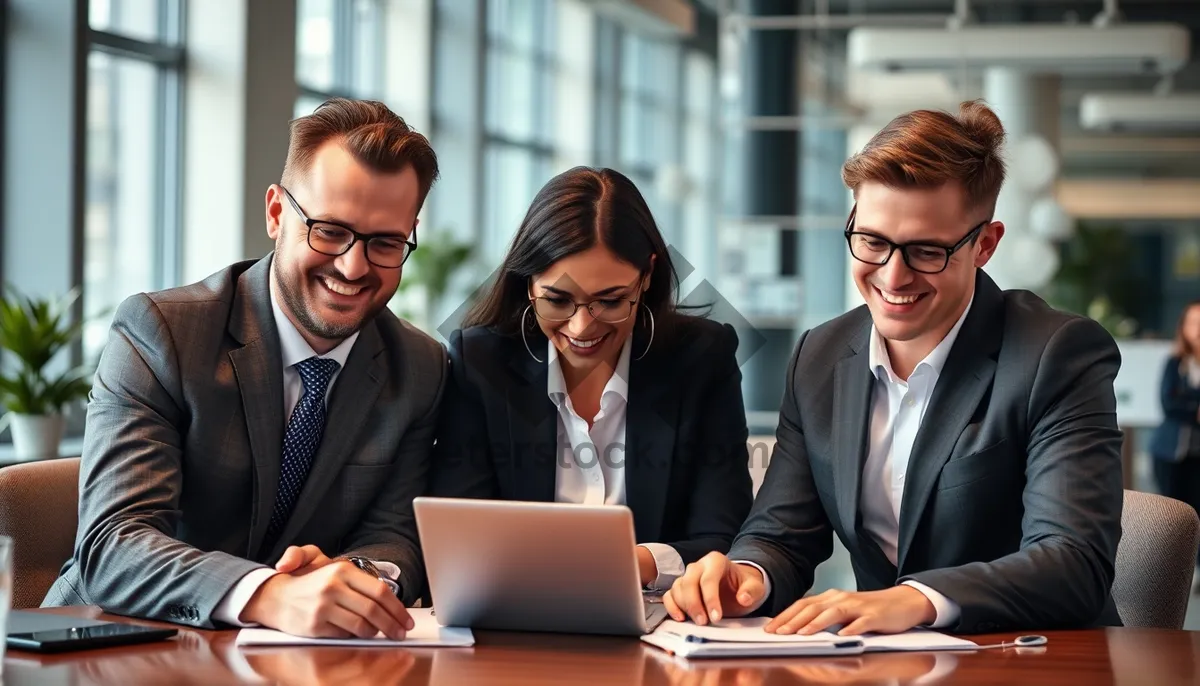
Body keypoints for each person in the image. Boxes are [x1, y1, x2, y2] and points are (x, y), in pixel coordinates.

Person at [664, 100, 1125, 635]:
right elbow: (783, 533)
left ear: (985, 245)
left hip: (1035, 660)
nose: (893, 275)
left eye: (927, 251)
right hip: (890, 664)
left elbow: (1073, 561)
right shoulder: (820, 357)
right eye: (873, 242)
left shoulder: (1056, 354)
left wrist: (917, 599)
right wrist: (747, 576)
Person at [44, 98, 447, 639]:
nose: (353, 266)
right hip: (113, 645)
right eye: (329, 230)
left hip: (300, 662)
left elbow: (396, 534)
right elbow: (114, 542)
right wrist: (269, 592)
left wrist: (354, 578)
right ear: (277, 214)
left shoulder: (419, 367)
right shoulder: (162, 332)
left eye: (385, 243)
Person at [429, 167, 753, 590]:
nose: (581, 327)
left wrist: (631, 562)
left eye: (610, 300)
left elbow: (725, 539)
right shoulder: (482, 362)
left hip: (664, 622)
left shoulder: (700, 358)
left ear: (648, 275)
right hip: (516, 618)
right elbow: (459, 535)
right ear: (528, 284)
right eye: (558, 300)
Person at [1149, 300, 1200, 591]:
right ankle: (1169, 577)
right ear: (1184, 328)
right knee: (1172, 516)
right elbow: (1169, 403)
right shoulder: (1174, 363)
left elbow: (1180, 400)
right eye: (1194, 323)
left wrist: (1187, 401)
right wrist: (1195, 409)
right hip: (1171, 454)